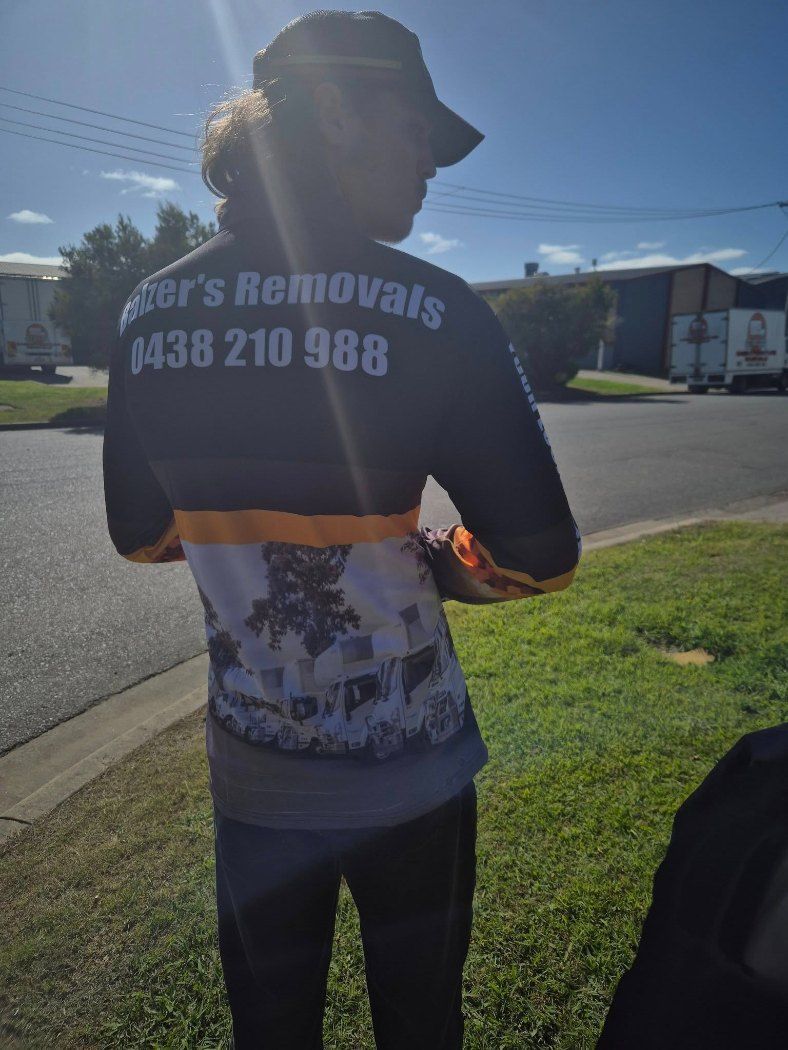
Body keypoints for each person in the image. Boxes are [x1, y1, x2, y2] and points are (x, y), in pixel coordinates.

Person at [102, 11, 581, 1048]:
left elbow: (138, 535)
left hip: (256, 775)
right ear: (332, 109)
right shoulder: (439, 311)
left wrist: (251, 538)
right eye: (414, 129)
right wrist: (430, 564)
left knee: (270, 1031)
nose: (429, 163)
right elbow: (539, 559)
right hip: (410, 769)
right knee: (418, 1023)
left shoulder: (149, 310)